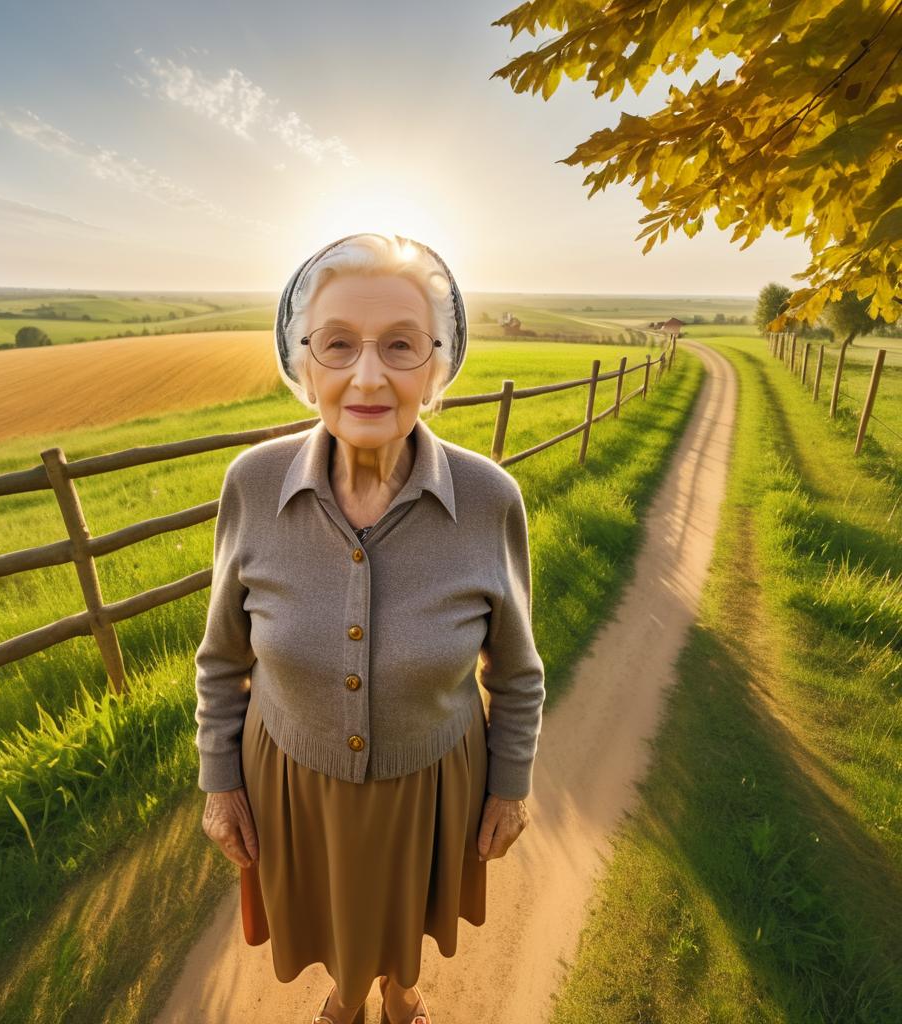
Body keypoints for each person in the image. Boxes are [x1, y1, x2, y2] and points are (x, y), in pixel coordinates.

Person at [194, 232, 546, 1024]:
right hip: (293, 781)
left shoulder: (489, 499)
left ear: (437, 363)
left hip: (432, 784)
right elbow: (221, 660)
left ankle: (400, 993)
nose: (368, 375)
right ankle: (348, 1000)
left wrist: (511, 785)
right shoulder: (251, 486)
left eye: (400, 346)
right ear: (304, 361)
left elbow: (518, 673)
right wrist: (220, 782)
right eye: (339, 344)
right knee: (333, 919)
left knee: (403, 919)